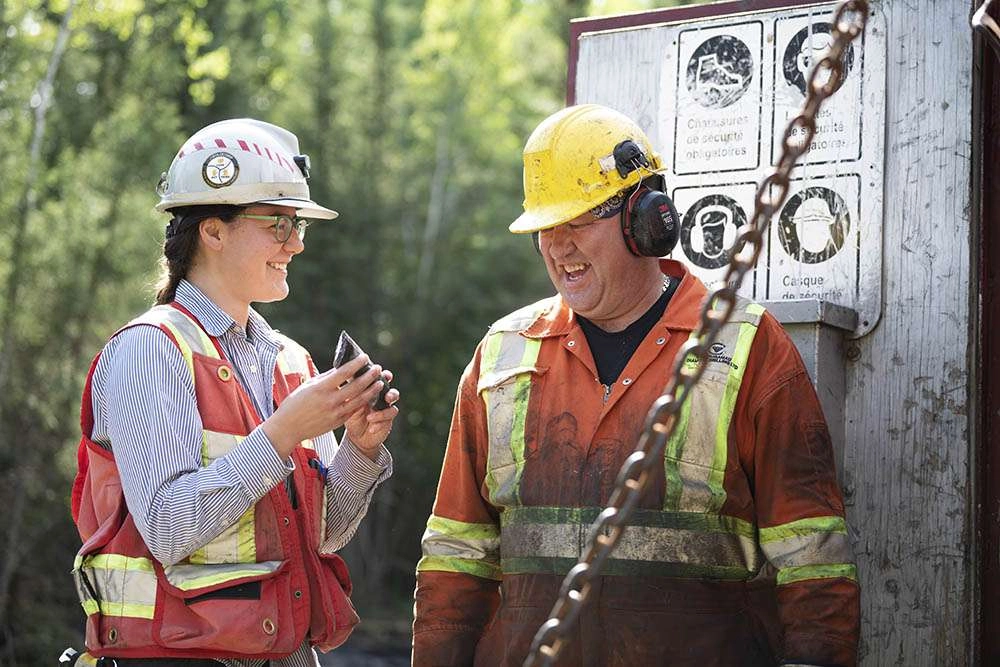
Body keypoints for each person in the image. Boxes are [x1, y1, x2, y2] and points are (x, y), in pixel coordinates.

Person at [412, 104, 859, 666]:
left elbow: (813, 561)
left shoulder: (748, 348)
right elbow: (455, 556)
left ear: (646, 221)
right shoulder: (502, 355)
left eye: (578, 221)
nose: (558, 246)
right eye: (546, 228)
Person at [69, 118, 399, 666]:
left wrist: (361, 450)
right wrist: (284, 432)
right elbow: (169, 529)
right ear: (213, 231)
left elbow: (326, 535)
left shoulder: (290, 362)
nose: (295, 243)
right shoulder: (151, 351)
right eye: (277, 223)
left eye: (298, 226)